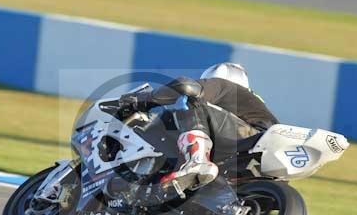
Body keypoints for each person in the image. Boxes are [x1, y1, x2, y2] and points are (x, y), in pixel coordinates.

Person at [118, 62, 279, 195]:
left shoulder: (223, 86)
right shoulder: (250, 105)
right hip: (262, 162)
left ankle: (197, 162)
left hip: (252, 139)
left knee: (190, 99)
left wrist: (144, 100)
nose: (206, 85)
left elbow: (186, 86)